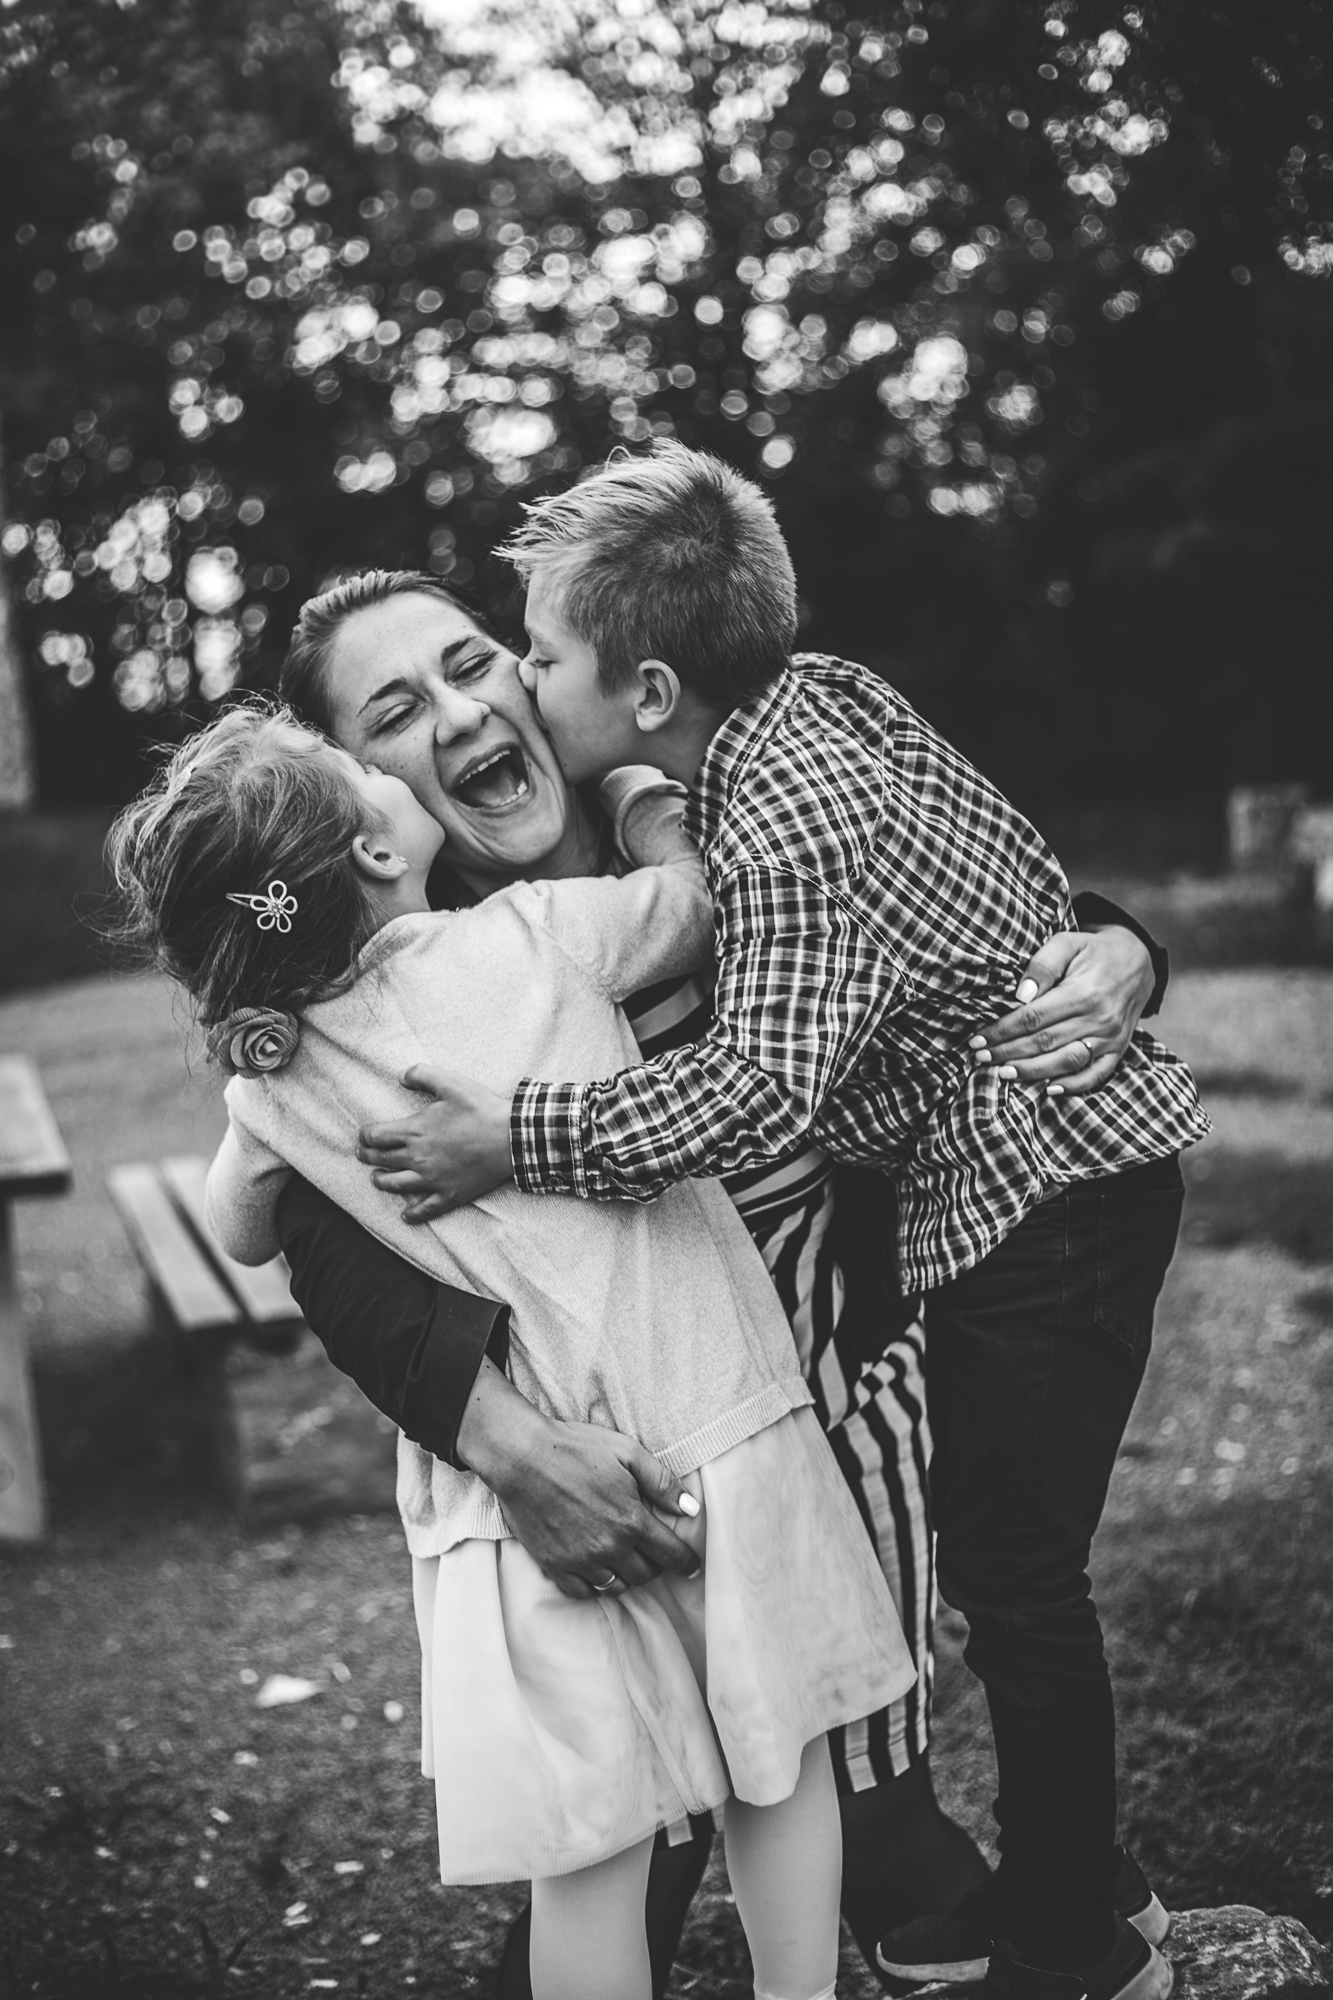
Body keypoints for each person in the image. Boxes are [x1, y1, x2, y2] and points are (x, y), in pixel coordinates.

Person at [357, 444, 1210, 2000]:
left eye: (506, 657)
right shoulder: (389, 960)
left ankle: (1062, 1933)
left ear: (651, 684)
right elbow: (983, 875)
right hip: (680, 1388)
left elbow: (819, 1031)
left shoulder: (748, 810)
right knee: (928, 1622)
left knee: (994, 1598)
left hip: (959, 1260)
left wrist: (1120, 949)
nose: (499, 702)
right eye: (394, 710)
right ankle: (1065, 1905)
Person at [108, 703, 915, 2000]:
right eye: (367, 770)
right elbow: (698, 903)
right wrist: (650, 798)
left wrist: (265, 1080)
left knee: (588, 1843)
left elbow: (242, 1235)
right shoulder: (539, 936)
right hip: (712, 1402)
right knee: (783, 1758)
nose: (392, 769)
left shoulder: (280, 1083)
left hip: (516, 1502)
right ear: (375, 851)